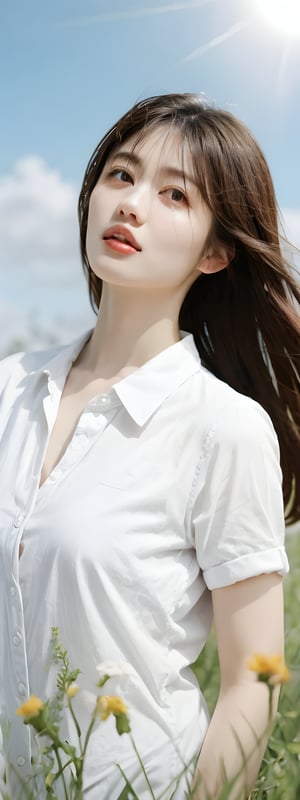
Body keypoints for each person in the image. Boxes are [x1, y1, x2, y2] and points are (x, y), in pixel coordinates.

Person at [0, 92, 299, 800]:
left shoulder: (223, 430)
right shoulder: (9, 387)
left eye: (175, 195)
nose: (131, 204)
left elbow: (250, 687)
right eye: (121, 176)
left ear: (218, 251)